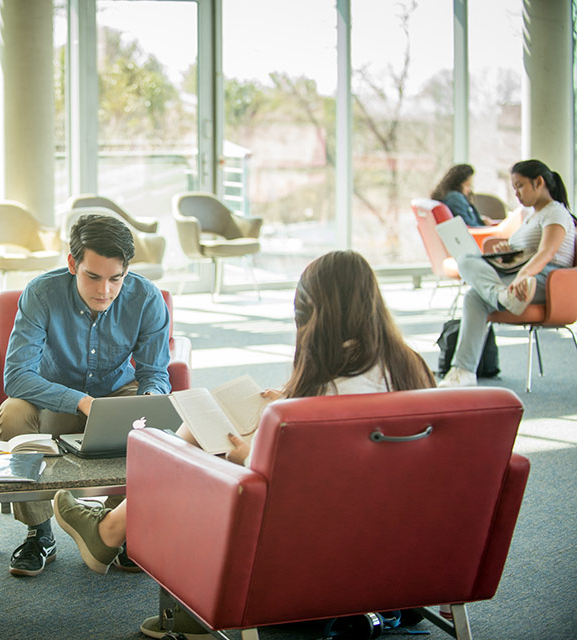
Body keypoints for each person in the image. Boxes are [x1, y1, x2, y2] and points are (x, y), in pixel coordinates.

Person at [52, 250, 436, 639]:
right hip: (395, 534)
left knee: (196, 461)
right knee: (210, 440)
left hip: (312, 545)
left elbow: (293, 486)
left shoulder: (322, 389)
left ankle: (115, 534)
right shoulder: (410, 366)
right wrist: (289, 399)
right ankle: (122, 540)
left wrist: (244, 456)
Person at [0, 213, 171, 577]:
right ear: (73, 263)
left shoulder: (147, 298)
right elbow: (16, 377)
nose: (104, 290)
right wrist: (80, 401)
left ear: (127, 271)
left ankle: (115, 528)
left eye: (115, 279)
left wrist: (148, 402)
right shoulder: (41, 294)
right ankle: (39, 533)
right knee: (13, 413)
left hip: (116, 390)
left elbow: (154, 373)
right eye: (93, 276)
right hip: (51, 392)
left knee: (150, 419)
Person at [439, 159, 576, 387]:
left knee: (474, 289)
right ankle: (464, 371)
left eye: (520, 186)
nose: (517, 194)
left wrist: (523, 275)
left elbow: (546, 253)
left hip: (548, 282)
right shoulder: (532, 215)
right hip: (521, 281)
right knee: (469, 272)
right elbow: (528, 254)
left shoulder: (556, 213)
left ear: (539, 182)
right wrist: (507, 256)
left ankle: (501, 298)